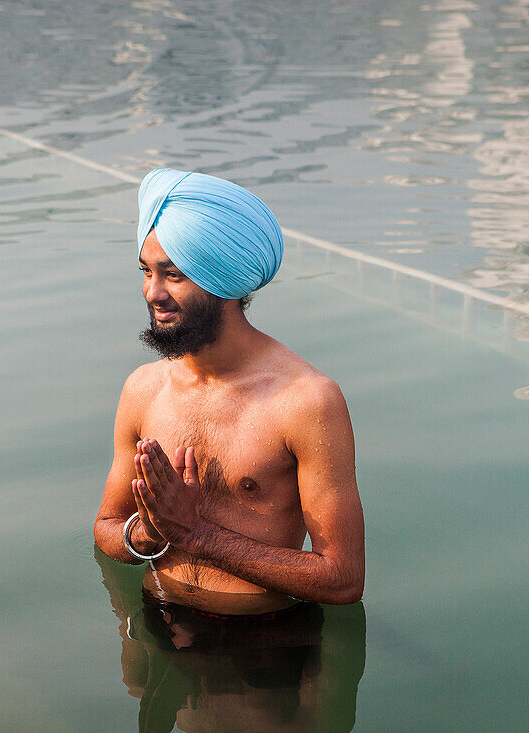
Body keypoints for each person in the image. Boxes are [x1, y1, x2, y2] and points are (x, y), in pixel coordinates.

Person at [94, 168, 365, 618]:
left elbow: (342, 578)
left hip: (263, 644)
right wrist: (151, 533)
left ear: (224, 283)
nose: (152, 292)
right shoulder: (143, 387)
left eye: (174, 275)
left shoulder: (306, 401)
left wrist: (194, 534)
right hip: (157, 615)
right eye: (146, 271)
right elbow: (105, 528)